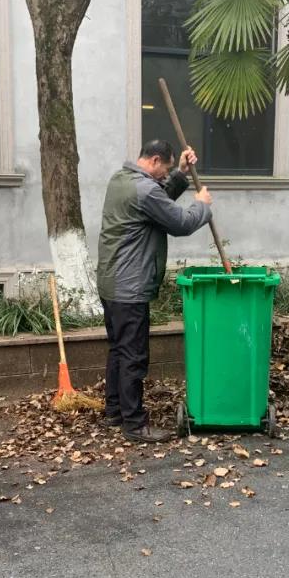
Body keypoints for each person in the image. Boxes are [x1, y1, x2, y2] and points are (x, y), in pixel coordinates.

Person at [97, 140, 213, 443]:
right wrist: (201, 204)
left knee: (119, 350)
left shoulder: (121, 180)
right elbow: (180, 222)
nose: (164, 176)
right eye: (165, 169)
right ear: (155, 160)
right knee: (133, 356)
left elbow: (157, 201)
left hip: (111, 282)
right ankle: (135, 425)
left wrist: (180, 173)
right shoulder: (145, 190)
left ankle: (115, 412)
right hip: (130, 286)